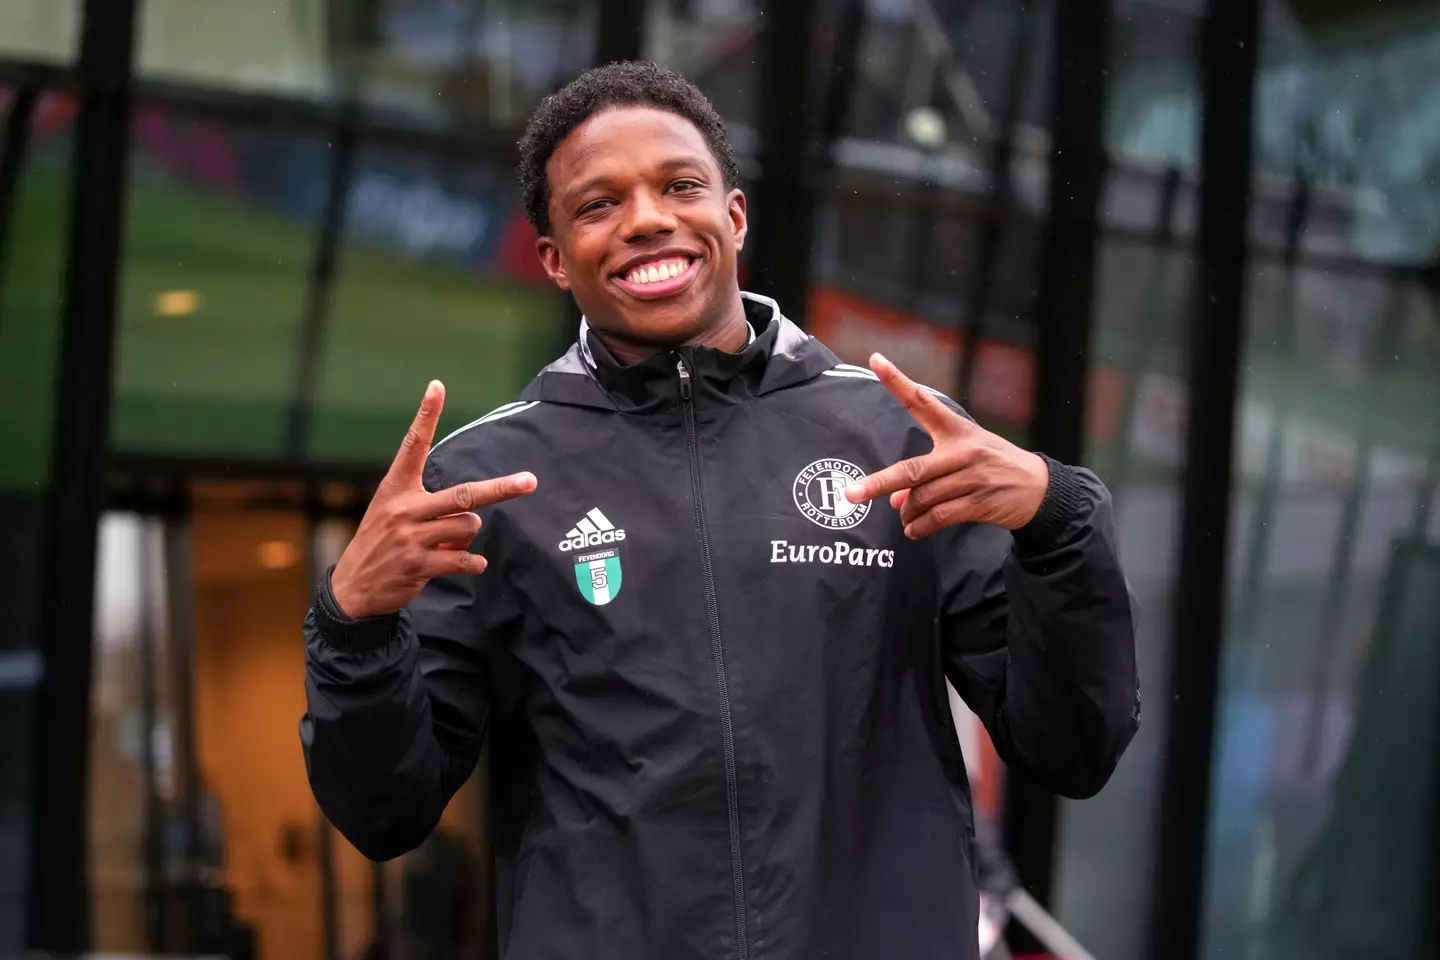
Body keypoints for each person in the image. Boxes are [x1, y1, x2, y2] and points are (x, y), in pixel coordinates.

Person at [299, 61, 1140, 960]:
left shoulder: (897, 438)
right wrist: (354, 623)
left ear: (734, 217)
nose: (647, 219)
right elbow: (385, 813)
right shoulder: (487, 481)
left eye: (680, 186)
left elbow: (1071, 749)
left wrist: (1058, 521)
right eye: (598, 204)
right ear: (554, 259)